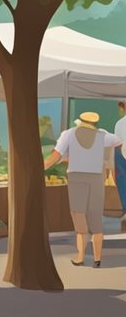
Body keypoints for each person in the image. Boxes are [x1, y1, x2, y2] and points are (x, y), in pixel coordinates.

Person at [45, 111, 123, 267]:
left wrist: (42, 167)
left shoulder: (68, 134)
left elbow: (55, 155)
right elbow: (118, 141)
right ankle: (97, 258)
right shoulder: (103, 136)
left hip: (76, 178)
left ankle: (80, 256)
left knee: (78, 214)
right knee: (95, 216)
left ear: (80, 122)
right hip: (96, 178)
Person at [115, 101, 126, 219]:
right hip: (121, 152)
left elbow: (117, 142)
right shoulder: (119, 123)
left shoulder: (119, 123)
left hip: (121, 153)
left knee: (122, 179)